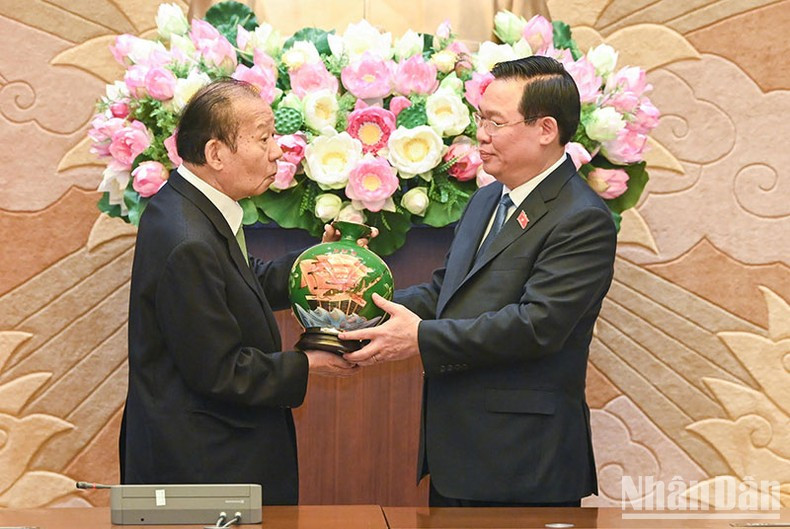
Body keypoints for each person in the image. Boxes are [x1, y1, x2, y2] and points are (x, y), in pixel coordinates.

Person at [341, 56, 617, 506]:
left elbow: (537, 326)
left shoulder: (582, 218)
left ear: (546, 129)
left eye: (495, 122)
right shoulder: (488, 198)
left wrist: (420, 339)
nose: (481, 135)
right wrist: (360, 300)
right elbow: (444, 291)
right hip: (458, 457)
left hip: (524, 461)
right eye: (480, 118)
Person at [120, 79, 358, 505]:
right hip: (205, 465)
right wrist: (307, 364)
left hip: (208, 451)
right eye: (264, 138)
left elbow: (242, 282)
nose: (277, 150)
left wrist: (320, 263)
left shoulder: (187, 206)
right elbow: (221, 370)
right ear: (215, 153)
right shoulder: (188, 237)